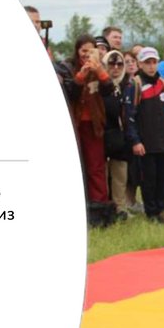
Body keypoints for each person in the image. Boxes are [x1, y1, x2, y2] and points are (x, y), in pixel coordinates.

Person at [62, 35, 113, 204]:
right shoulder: (68, 68)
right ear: (77, 51)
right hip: (74, 123)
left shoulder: (101, 67)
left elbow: (109, 91)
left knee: (96, 166)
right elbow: (70, 93)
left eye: (90, 51)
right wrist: (81, 75)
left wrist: (99, 71)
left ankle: (99, 203)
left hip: (93, 124)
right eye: (83, 50)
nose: (86, 54)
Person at [126, 47, 164, 222]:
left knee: (163, 178)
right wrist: (135, 141)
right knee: (149, 179)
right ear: (140, 64)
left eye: (154, 62)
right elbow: (129, 116)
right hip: (146, 142)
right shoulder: (135, 84)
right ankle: (151, 212)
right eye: (147, 62)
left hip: (163, 141)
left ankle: (161, 209)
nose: (151, 66)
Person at [100, 50, 136, 216]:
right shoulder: (99, 85)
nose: (115, 67)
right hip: (102, 135)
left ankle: (121, 208)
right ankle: (105, 208)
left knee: (120, 176)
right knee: (103, 176)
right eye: (112, 63)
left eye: (120, 64)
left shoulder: (128, 86)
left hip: (121, 138)